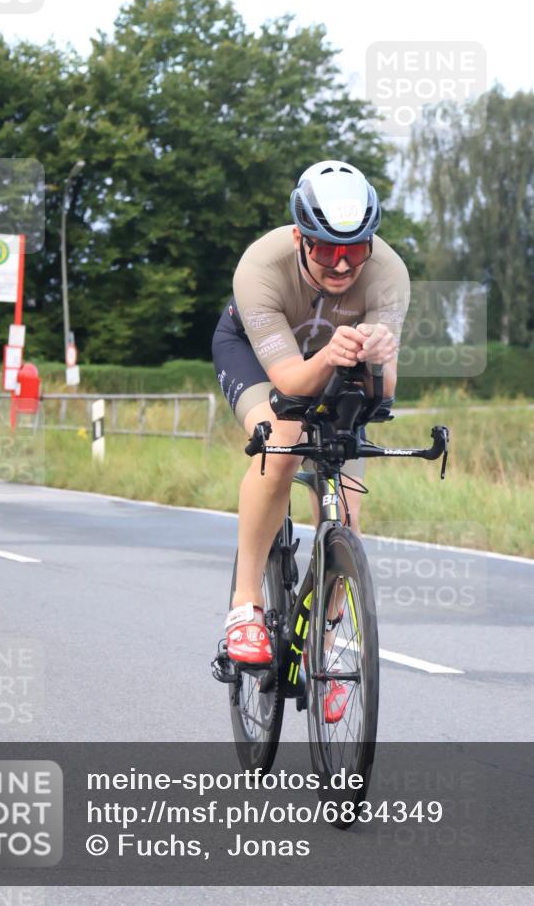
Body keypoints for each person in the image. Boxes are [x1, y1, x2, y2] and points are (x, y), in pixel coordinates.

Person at [211, 160, 410, 705]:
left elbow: (380, 395)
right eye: (325, 249)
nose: (342, 263)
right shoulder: (260, 266)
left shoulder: (389, 272)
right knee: (283, 442)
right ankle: (245, 604)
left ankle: (328, 647)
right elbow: (292, 382)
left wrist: (377, 360)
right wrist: (331, 352)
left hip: (336, 364)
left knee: (347, 507)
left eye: (355, 248)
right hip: (256, 358)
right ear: (301, 238)